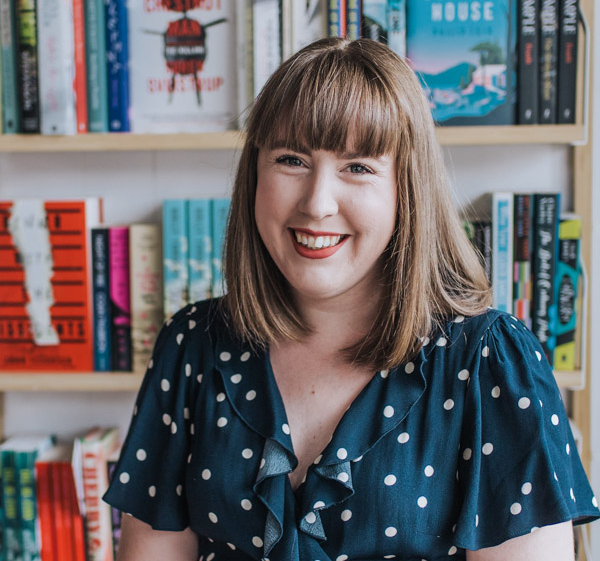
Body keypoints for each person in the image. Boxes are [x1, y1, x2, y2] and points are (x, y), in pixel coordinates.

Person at [104, 37, 599, 561]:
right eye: (291, 159)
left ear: (406, 190)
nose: (317, 203)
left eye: (358, 167)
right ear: (255, 174)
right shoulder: (192, 344)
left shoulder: (491, 362)